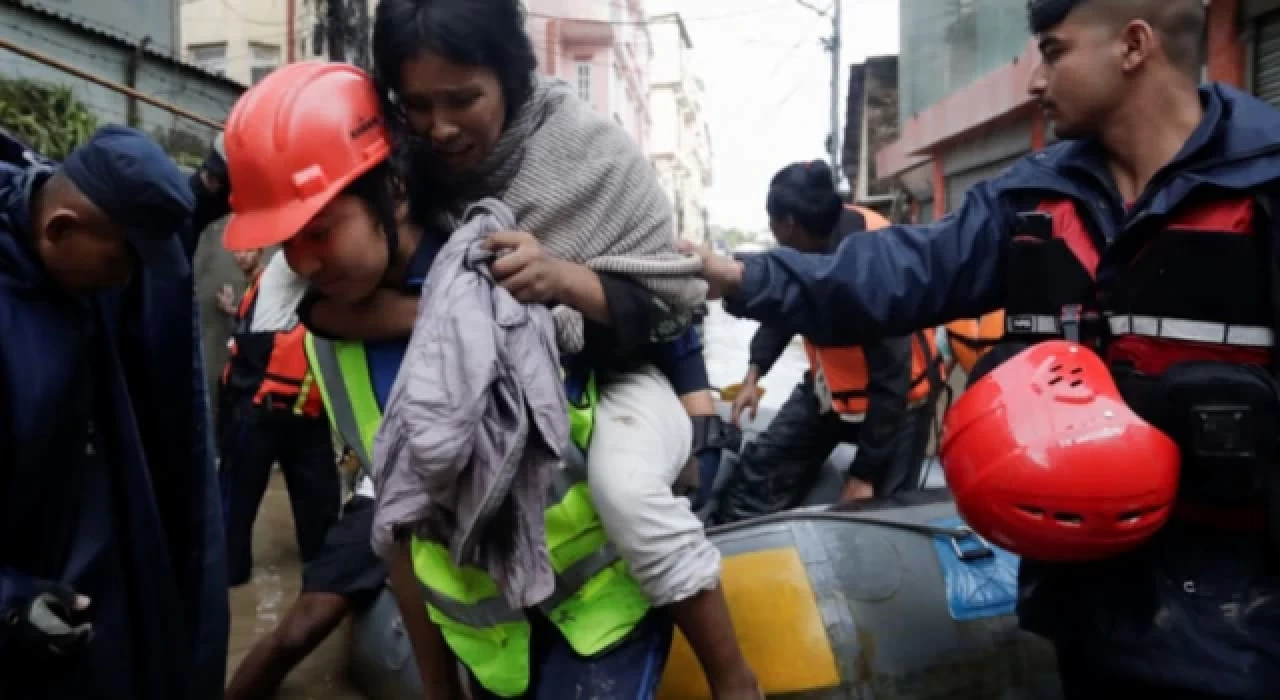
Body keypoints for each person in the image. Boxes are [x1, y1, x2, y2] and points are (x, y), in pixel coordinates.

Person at [684, 0, 1280, 695]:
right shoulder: (1036, 196)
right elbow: (899, 271)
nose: (1034, 80)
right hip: (1082, 606)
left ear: (1133, 46)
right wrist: (743, 277)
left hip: (1240, 626)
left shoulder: (1261, 186)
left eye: (1053, 52)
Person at [220, 56, 754, 700]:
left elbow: (656, 310)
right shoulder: (332, 341)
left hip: (604, 615)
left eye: (321, 231)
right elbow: (400, 531)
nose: (305, 262)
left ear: (394, 189)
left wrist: (697, 412)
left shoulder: (513, 265)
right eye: (288, 244)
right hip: (496, 648)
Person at [0, 126, 229, 698]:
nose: (128, 282)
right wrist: (10, 604)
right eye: (121, 263)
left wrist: (211, 188)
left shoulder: (76, 258)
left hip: (102, 557)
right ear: (61, 229)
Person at [715, 161, 945, 523]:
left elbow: (892, 376)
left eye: (772, 222)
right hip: (831, 390)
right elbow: (780, 313)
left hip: (899, 401)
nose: (772, 232)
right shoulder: (801, 247)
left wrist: (863, 475)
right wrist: (753, 374)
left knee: (881, 515)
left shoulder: (872, 259)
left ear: (789, 224)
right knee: (760, 472)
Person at [217, 246, 341, 587]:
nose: (241, 257)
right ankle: (228, 579)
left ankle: (322, 584)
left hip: (306, 412)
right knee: (235, 510)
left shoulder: (283, 278)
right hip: (261, 410)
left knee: (320, 522)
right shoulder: (285, 266)